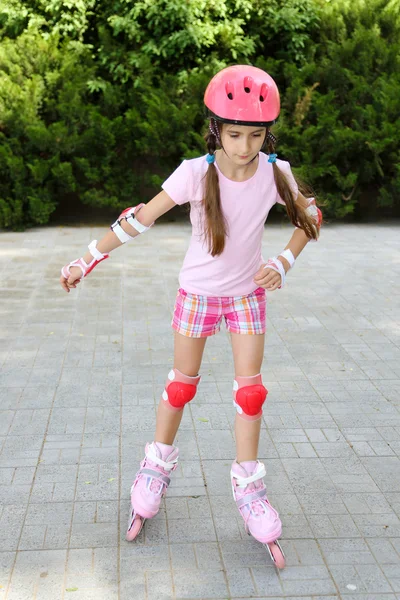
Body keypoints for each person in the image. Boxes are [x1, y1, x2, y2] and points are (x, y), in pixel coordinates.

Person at [60, 65, 322, 568]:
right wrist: (86, 258)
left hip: (247, 296)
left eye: (256, 135)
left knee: (251, 392)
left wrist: (282, 263)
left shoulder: (275, 172)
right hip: (198, 295)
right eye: (235, 134)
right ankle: (154, 468)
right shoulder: (194, 173)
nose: (245, 146)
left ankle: (249, 489)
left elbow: (309, 218)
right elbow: (139, 219)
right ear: (215, 130)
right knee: (182, 385)